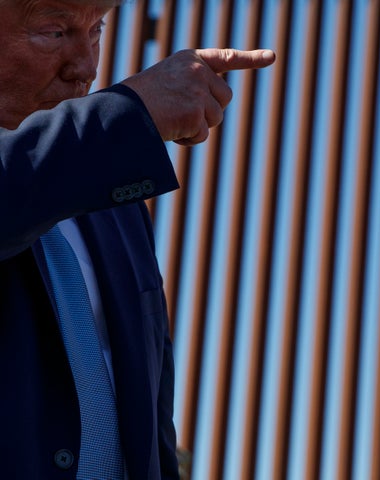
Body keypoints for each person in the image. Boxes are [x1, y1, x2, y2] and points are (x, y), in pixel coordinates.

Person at [0, 0, 275, 478]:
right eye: (54, 30)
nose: (85, 66)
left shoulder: (117, 207)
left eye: (97, 30)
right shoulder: (107, 149)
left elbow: (151, 415)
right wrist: (129, 116)